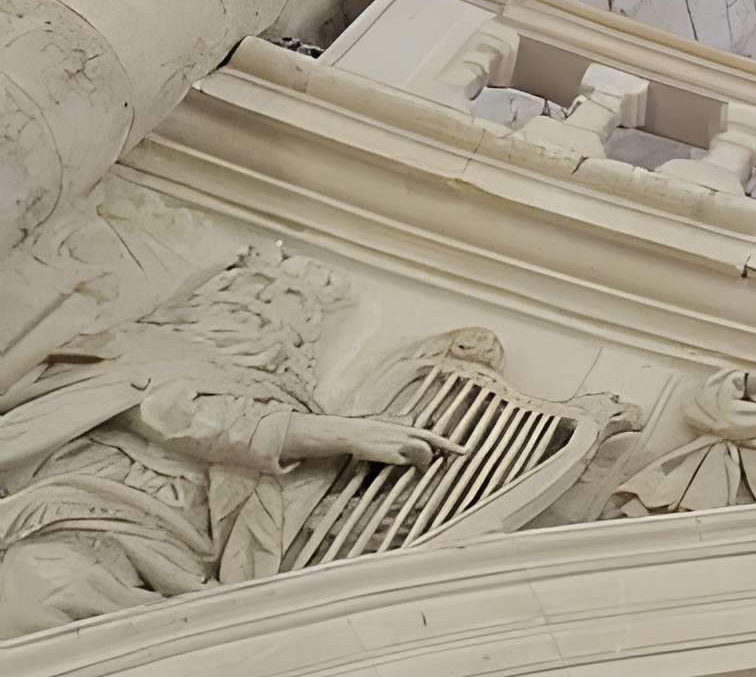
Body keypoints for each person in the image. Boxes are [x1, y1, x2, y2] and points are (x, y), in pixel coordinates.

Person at [0, 251, 451, 635]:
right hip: (71, 506)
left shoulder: (282, 400)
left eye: (284, 304)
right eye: (250, 290)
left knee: (49, 588)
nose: (262, 304)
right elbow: (177, 415)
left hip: (176, 542)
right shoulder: (134, 349)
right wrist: (342, 434)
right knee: (43, 583)